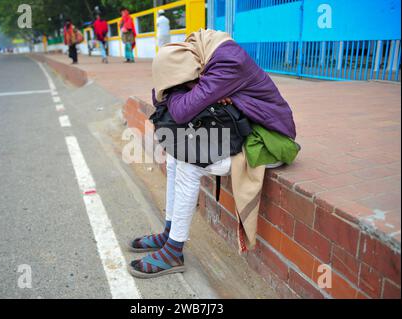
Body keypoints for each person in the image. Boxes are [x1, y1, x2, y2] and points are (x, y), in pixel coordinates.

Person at [128, 30, 299, 278]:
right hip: (244, 128)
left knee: (190, 163)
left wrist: (175, 89)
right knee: (176, 155)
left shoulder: (227, 62)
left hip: (269, 138)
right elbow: (162, 98)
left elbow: (181, 111)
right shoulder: (200, 50)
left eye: (180, 79)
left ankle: (174, 251)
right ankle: (169, 232)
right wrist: (177, 87)